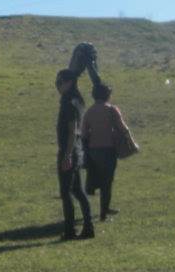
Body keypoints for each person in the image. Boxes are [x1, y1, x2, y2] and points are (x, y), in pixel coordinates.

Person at [81, 82, 132, 222]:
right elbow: (123, 128)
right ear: (107, 95)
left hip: (93, 150)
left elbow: (84, 134)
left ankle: (102, 209)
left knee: (98, 178)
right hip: (108, 150)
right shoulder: (112, 110)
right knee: (107, 182)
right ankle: (104, 212)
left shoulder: (89, 112)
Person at [55, 68, 94, 240]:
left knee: (66, 192)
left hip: (69, 151)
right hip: (77, 151)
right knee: (78, 190)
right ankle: (88, 228)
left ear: (68, 83)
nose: (58, 85)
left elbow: (72, 131)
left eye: (60, 81)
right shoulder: (77, 100)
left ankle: (70, 231)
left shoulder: (68, 103)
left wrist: (67, 155)